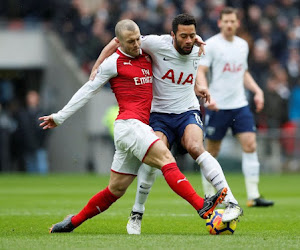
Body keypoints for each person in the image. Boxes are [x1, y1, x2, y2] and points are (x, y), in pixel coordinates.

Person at [39, 19, 228, 233]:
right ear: (118, 42)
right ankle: (201, 206)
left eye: (138, 39)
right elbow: (88, 90)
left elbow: (177, 59)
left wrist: (196, 50)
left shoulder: (147, 55)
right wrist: (60, 116)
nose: (137, 44)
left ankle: (72, 222)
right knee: (167, 158)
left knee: (115, 190)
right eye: (130, 42)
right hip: (129, 125)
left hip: (137, 129)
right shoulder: (114, 62)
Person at [91, 14, 243, 235]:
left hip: (187, 110)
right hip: (159, 114)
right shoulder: (154, 43)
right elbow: (117, 41)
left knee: (196, 147)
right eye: (184, 36)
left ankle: (231, 202)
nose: (189, 40)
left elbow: (191, 72)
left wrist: (198, 86)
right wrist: (96, 67)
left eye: (192, 35)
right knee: (154, 160)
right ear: (172, 35)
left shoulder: (197, 46)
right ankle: (137, 212)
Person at [197, 7, 274, 208]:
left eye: (233, 21)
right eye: (226, 21)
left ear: (237, 23)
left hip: (240, 105)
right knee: (211, 152)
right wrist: (206, 94)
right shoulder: (212, 44)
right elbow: (201, 71)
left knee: (250, 145)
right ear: (220, 23)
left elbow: (243, 73)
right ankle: (208, 196)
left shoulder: (242, 45)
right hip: (218, 106)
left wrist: (258, 90)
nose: (230, 25)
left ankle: (253, 196)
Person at [15, 90, 49, 174]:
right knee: (31, 168)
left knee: (42, 168)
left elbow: (46, 130)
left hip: (40, 145)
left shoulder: (42, 113)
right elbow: (20, 130)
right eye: (30, 97)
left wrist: (41, 141)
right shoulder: (22, 113)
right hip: (27, 145)